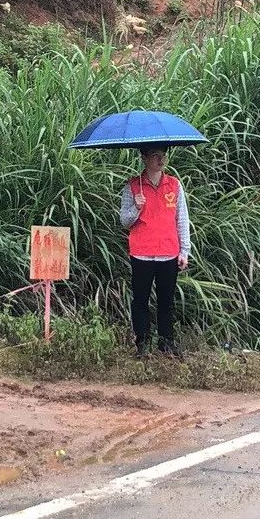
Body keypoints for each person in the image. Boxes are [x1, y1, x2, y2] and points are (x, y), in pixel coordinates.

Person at [119, 143, 190, 360]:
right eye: (155, 155)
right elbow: (125, 221)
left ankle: (166, 343)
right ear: (144, 158)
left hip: (169, 252)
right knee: (140, 301)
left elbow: (182, 219)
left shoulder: (174, 186)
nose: (161, 160)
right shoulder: (132, 187)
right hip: (142, 252)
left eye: (163, 155)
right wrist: (136, 208)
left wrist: (184, 250)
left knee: (166, 301)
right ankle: (142, 344)